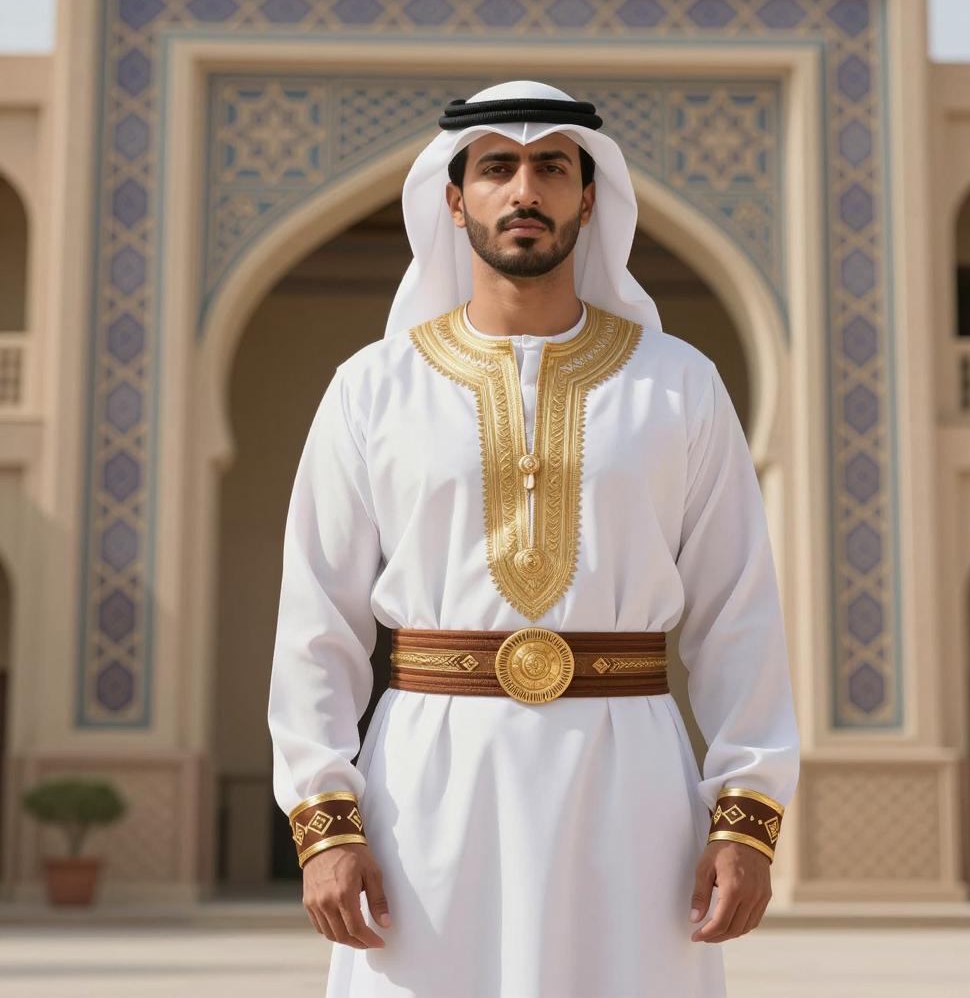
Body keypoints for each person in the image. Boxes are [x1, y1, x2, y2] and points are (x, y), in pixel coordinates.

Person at [267, 80, 801, 998]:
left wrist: (744, 816)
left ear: (590, 197)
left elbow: (737, 610)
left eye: (552, 167)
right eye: (498, 168)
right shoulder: (372, 387)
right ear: (453, 196)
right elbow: (318, 616)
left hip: (628, 782)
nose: (526, 190)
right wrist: (327, 823)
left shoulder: (678, 384)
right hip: (429, 787)